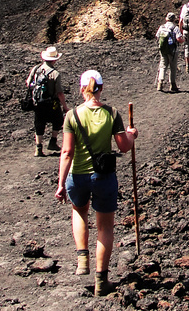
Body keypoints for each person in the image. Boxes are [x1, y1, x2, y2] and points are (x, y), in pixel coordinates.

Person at [55, 70, 137, 296]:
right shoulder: (112, 113)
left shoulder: (71, 115)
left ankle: (83, 259)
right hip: (104, 177)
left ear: (82, 89)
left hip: (77, 176)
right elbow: (123, 147)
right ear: (101, 88)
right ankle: (101, 280)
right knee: (105, 226)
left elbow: (67, 152)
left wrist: (61, 184)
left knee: (79, 212)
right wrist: (132, 134)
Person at [26, 46, 68, 158]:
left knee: (39, 124)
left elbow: (28, 83)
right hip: (51, 103)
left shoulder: (36, 69)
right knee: (58, 120)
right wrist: (64, 106)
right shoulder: (55, 74)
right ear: (54, 59)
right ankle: (53, 142)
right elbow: (59, 92)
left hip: (38, 103)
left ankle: (38, 149)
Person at [155, 12, 182, 92]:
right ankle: (172, 85)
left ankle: (160, 83)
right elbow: (179, 39)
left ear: (166, 19)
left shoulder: (162, 27)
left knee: (163, 66)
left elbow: (157, 36)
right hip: (172, 50)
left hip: (163, 50)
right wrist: (183, 40)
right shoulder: (175, 28)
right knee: (173, 67)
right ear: (174, 19)